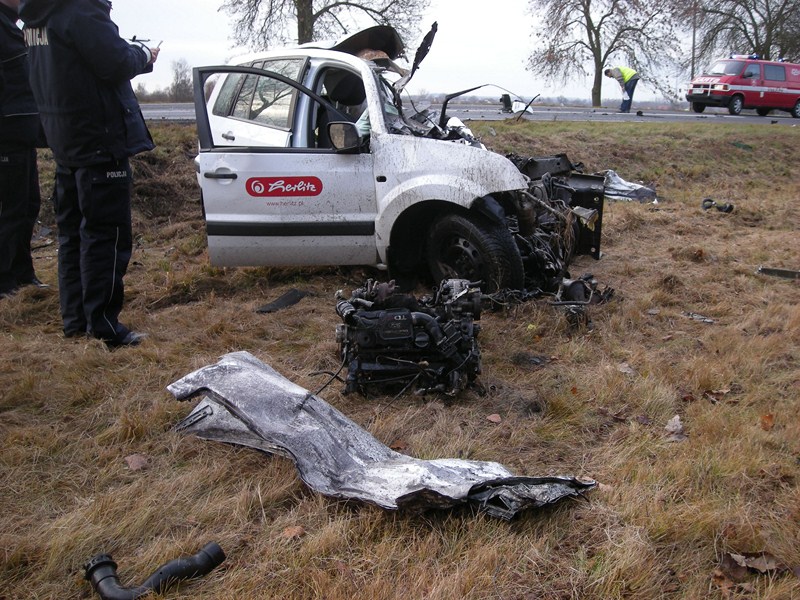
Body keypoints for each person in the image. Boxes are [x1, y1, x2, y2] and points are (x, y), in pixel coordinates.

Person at [19, 0, 159, 347]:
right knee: (106, 238)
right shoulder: (80, 11)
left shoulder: (38, 16)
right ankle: (104, 327)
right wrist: (144, 54)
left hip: (67, 144)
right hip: (99, 141)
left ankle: (76, 321)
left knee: (72, 237)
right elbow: (115, 62)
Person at [0, 0, 46, 299]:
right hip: (6, 135)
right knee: (9, 209)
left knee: (29, 205)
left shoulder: (16, 28)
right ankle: (4, 280)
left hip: (23, 136)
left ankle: (23, 273)